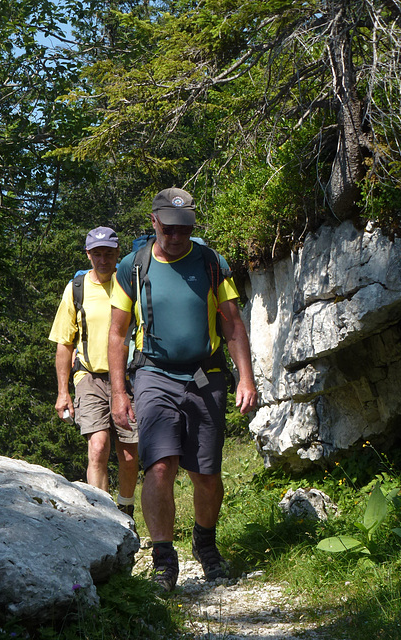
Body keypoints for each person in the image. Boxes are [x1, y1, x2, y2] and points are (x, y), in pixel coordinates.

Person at [108, 188, 258, 591]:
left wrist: (246, 377)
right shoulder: (133, 266)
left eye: (185, 229)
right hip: (153, 374)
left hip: (205, 375)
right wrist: (119, 393)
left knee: (205, 474)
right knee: (159, 465)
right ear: (154, 221)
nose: (177, 236)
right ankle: (163, 560)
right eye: (170, 229)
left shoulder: (210, 263)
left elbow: (231, 323)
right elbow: (118, 334)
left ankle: (205, 546)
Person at [48, 226, 139, 517]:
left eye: (108, 253)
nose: (103, 260)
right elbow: (64, 343)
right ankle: (102, 515)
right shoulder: (76, 289)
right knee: (98, 446)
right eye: (97, 253)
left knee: (128, 452)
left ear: (117, 255)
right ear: (88, 255)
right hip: (89, 375)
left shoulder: (129, 285)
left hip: (128, 377)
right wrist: (63, 392)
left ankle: (125, 507)